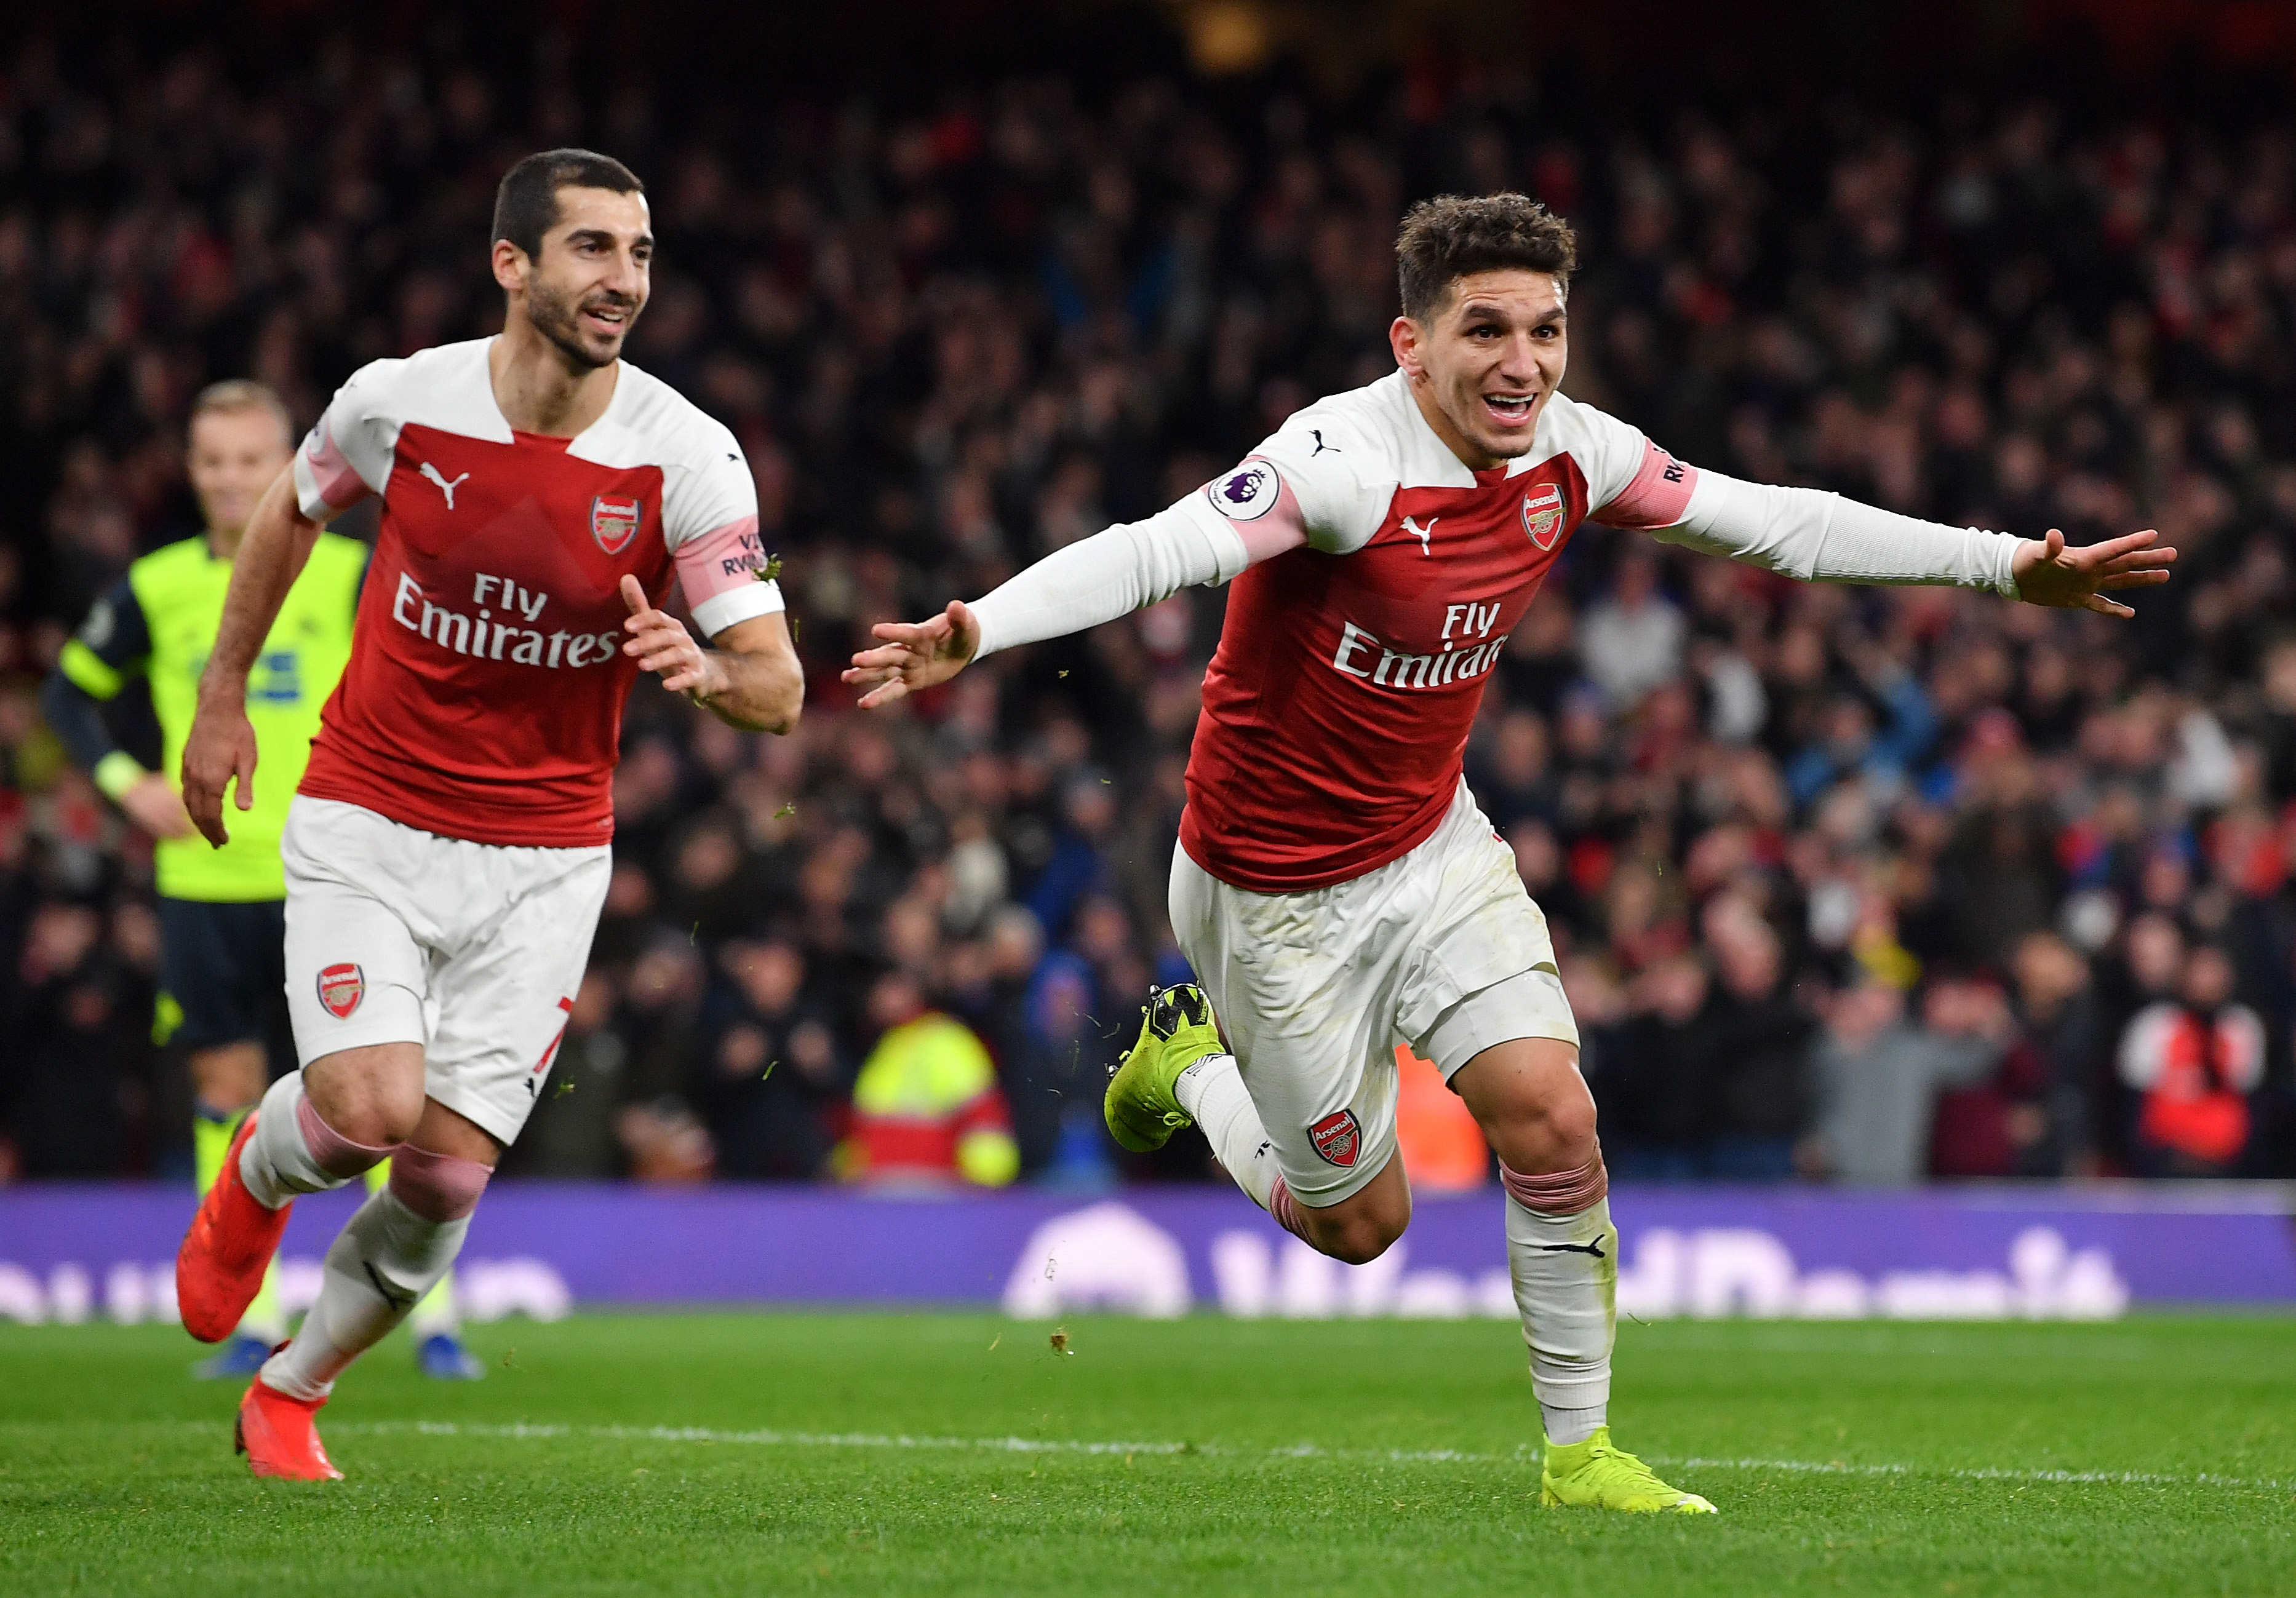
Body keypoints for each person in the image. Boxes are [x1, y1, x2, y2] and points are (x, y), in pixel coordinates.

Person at [847, 193, 2175, 1514]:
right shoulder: (1337, 462)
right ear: (1411, 344)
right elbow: (1160, 552)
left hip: (1433, 849)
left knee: (1555, 1120)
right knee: (1363, 1227)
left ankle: (1581, 1457)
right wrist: (984, 630)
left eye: (1546, 330)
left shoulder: (1573, 454)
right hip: (1272, 902)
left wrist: (2006, 568)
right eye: (1486, 330)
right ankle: (1191, 1072)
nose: (1523, 363)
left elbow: (1783, 523)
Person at [172, 148, 803, 1480]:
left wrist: (706, 669)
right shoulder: (399, 403)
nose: (622, 281)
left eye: (637, 253)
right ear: (512, 264)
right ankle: (258, 1177)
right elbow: (290, 515)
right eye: (591, 250)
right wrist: (223, 696)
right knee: (366, 1108)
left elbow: (780, 687)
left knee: (447, 1176)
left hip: (546, 858)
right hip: (372, 811)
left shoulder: (686, 454)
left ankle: (291, 1392)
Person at [39, 380, 484, 1381]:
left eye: (252, 458)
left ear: (292, 461)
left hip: (342, 876)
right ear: (190, 472)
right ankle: (249, 1319)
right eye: (214, 460)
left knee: (384, 1095)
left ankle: (433, 1317)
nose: (234, 477)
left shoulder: (352, 573)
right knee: (225, 1091)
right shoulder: (156, 586)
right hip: (206, 877)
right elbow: (70, 692)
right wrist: (126, 781)